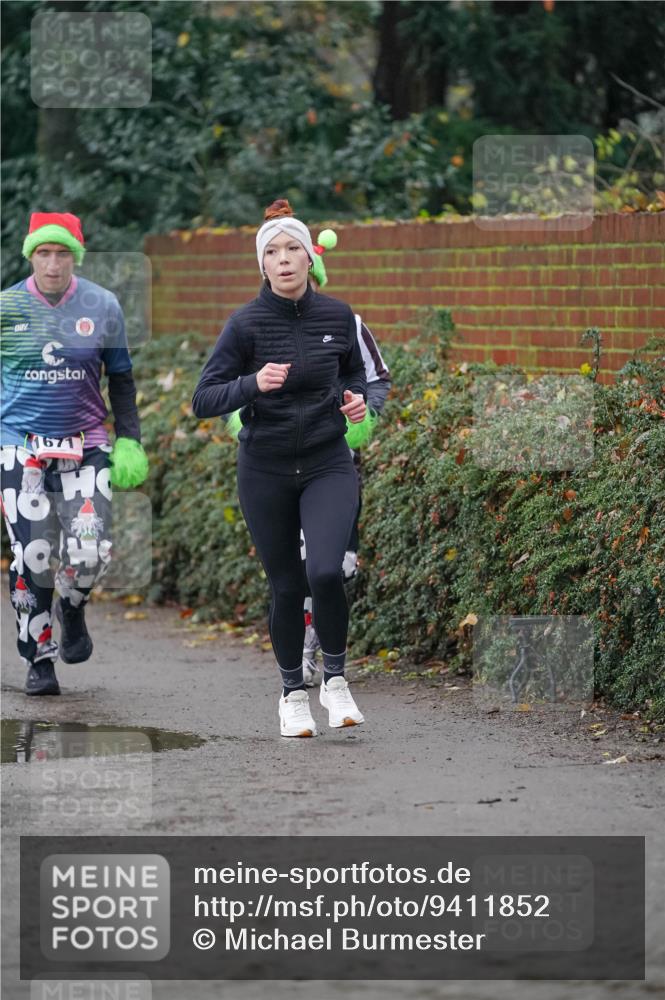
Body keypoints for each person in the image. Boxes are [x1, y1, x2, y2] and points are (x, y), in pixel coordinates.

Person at [192, 200, 368, 737]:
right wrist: (252, 384)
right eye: (273, 251)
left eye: (294, 248)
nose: (285, 259)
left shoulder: (338, 316)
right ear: (262, 265)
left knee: (326, 570)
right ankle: (292, 693)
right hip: (265, 468)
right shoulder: (244, 324)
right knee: (288, 585)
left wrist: (356, 401)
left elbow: (356, 375)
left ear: (311, 257)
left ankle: (334, 681)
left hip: (327, 462)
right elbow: (203, 399)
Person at [0, 212, 148, 696]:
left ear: (75, 257)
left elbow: (121, 380)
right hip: (20, 447)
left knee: (91, 549)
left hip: (86, 445)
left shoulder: (102, 305)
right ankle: (39, 658)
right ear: (31, 256)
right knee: (32, 555)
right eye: (44, 253)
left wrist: (129, 440)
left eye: (62, 253)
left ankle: (72, 605)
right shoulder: (7, 309)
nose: (53, 263)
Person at [300, 230, 392, 686]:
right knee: (297, 562)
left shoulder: (347, 322)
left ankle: (317, 640)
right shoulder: (261, 324)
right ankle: (302, 649)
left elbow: (378, 378)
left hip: (338, 461)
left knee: (339, 565)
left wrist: (363, 415)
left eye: (309, 278)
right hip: (282, 463)